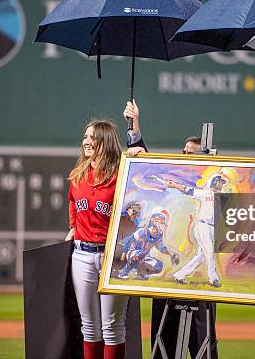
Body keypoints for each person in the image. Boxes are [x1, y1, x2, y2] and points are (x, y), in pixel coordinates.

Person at [123, 101, 218, 359]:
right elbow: (145, 166)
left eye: (193, 153)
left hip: (195, 276)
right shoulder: (172, 184)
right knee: (163, 340)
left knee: (203, 343)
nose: (186, 156)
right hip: (167, 273)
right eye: (185, 151)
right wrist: (134, 129)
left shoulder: (211, 192)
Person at [65, 119, 128, 359]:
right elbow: (72, 201)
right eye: (85, 137)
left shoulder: (121, 174)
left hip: (113, 256)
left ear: (106, 141)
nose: (87, 142)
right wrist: (73, 225)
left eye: (93, 137)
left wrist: (136, 144)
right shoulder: (79, 174)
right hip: (81, 254)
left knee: (112, 327)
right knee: (89, 327)